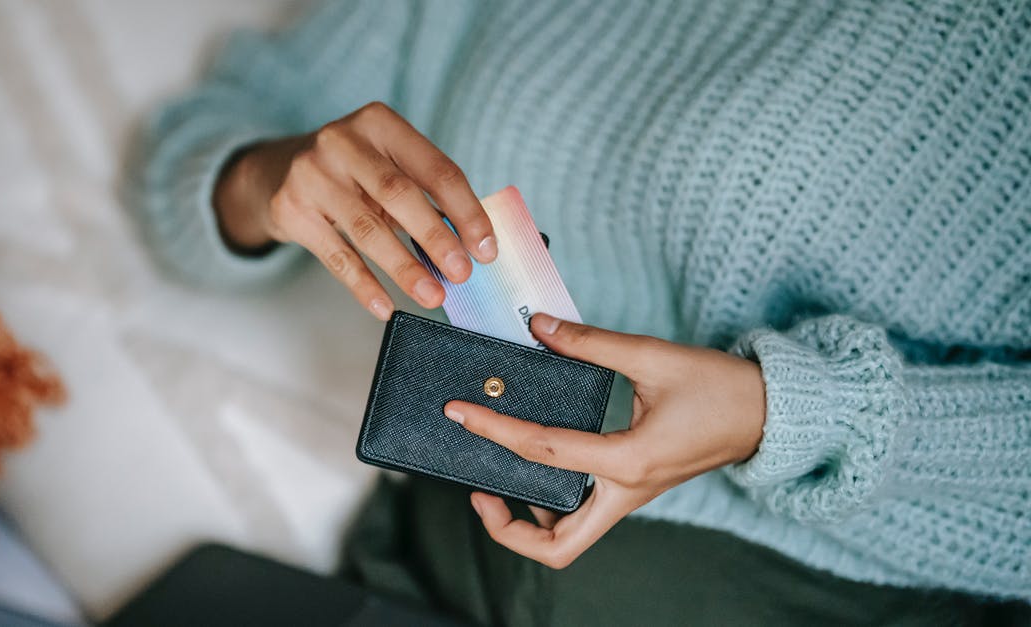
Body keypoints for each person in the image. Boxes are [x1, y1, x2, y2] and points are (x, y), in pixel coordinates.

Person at [127, 0, 1031, 624]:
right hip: (435, 557)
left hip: (809, 586)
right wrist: (270, 176)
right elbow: (199, 148)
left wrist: (789, 411)